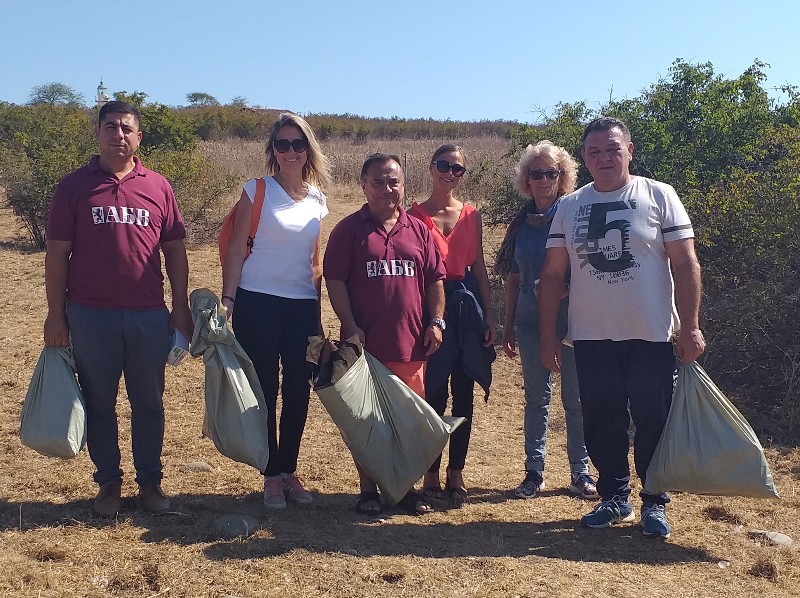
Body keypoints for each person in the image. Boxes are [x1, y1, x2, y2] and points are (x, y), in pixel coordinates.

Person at [539, 117, 705, 539]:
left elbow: (685, 264)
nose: (604, 158)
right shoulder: (569, 206)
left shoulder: (659, 195)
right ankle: (614, 497)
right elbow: (554, 276)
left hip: (650, 334)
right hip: (591, 336)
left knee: (653, 418)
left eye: (613, 149)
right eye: (594, 151)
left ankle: (654, 501)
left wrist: (690, 328)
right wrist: (547, 337)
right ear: (583, 157)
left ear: (629, 151)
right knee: (601, 419)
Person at [44, 100, 192, 516]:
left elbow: (176, 253)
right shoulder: (73, 187)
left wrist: (179, 309)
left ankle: (150, 483)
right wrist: (56, 314)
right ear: (98, 133)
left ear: (138, 137)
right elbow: (57, 256)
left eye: (127, 128)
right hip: (90, 315)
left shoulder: (159, 186)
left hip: (147, 314)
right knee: (99, 401)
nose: (119, 134)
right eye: (110, 127)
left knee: (149, 402)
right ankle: (108, 482)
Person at [324, 153, 446, 515]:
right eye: (377, 181)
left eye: (393, 181)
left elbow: (436, 279)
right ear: (363, 185)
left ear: (404, 185)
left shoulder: (419, 230)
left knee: (407, 424)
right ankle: (368, 492)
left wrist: (436, 322)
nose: (386, 188)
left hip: (410, 345)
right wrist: (349, 325)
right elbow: (334, 280)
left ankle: (405, 491)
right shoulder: (348, 229)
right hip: (365, 347)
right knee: (366, 424)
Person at [221, 113, 331, 510]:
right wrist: (228, 299)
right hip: (257, 302)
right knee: (265, 387)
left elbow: (314, 262)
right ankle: (269, 474)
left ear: (308, 150)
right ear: (272, 151)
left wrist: (318, 315)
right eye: (281, 144)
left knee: (299, 389)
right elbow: (236, 248)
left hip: (301, 306)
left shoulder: (318, 199)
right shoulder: (257, 190)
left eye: (297, 144)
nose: (290, 151)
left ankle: (289, 469)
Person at [495, 141, 598, 501]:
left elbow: (590, 268)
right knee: (537, 400)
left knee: (576, 401)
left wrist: (567, 288)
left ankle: (580, 473)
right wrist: (506, 327)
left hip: (572, 324)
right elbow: (513, 278)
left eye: (550, 173)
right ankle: (533, 473)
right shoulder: (520, 223)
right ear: (526, 178)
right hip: (528, 323)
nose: (542, 180)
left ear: (562, 176)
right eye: (535, 173)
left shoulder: (573, 216)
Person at [408, 144, 496, 508]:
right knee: (432, 393)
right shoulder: (413, 214)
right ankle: (430, 470)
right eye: (444, 166)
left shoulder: (471, 214)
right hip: (431, 304)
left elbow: (477, 267)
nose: (450, 173)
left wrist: (490, 313)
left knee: (464, 391)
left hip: (466, 305)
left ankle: (455, 472)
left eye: (458, 169)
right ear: (431, 168)